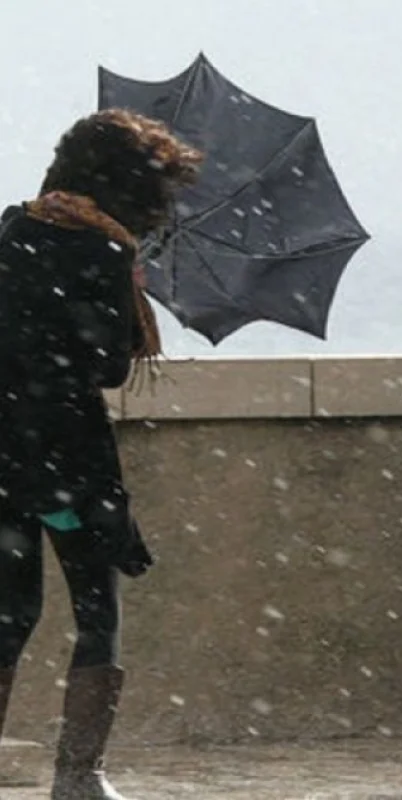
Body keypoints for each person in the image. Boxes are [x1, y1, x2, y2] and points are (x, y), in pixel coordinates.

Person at [0, 108, 202, 799]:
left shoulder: (11, 229)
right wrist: (127, 296)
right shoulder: (106, 253)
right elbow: (109, 367)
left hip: (6, 453)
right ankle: (80, 776)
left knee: (10, 614)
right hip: (69, 463)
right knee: (96, 610)